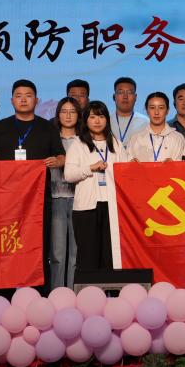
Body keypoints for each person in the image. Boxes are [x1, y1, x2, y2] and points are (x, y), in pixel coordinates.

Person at [0, 79, 67, 288]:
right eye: (19, 96)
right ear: (12, 100)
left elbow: (61, 157)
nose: (23, 99)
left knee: (38, 247)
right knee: (6, 246)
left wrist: (57, 161)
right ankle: (4, 293)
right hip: (6, 202)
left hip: (38, 201)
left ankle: (39, 293)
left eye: (28, 96)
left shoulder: (47, 128)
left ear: (36, 100)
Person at [64, 101, 131, 274]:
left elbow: (126, 174)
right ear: (85, 120)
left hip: (112, 206)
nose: (97, 121)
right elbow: (69, 175)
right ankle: (88, 291)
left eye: (101, 116)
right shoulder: (78, 144)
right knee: (88, 255)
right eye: (92, 117)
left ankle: (111, 290)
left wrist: (132, 166)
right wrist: (90, 168)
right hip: (86, 208)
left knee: (110, 255)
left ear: (107, 119)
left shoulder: (115, 144)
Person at [47, 97, 80, 289]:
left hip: (79, 200)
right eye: (64, 111)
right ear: (58, 115)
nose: (68, 116)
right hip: (55, 198)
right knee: (57, 253)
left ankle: (75, 292)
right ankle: (57, 293)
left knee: (76, 252)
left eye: (72, 111)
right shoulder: (50, 139)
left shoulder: (84, 140)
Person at [127, 92, 185, 163]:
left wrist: (174, 165)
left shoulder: (178, 138)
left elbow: (184, 167)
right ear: (147, 111)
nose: (156, 112)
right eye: (152, 108)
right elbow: (126, 166)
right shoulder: (135, 139)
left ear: (167, 111)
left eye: (161, 108)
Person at [110, 77, 141, 144]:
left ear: (135, 97)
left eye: (129, 92)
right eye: (121, 92)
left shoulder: (145, 122)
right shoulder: (106, 121)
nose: (125, 97)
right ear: (114, 96)